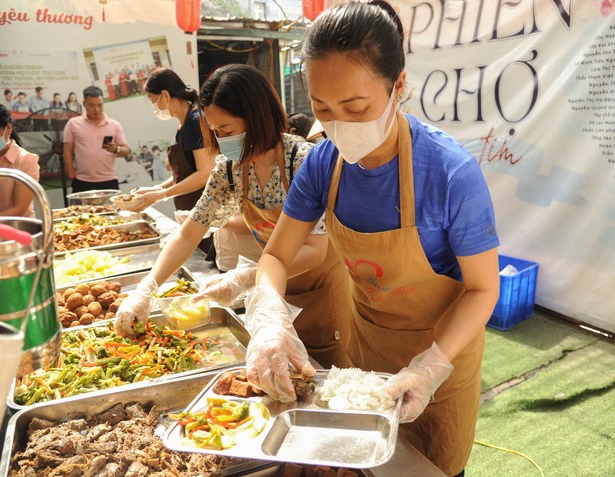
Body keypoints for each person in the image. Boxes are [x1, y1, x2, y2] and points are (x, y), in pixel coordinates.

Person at [244, 3, 500, 477]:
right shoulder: (324, 163)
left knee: (425, 467)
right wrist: (269, 318)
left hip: (440, 361)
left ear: (398, 85)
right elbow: (276, 256)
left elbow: (484, 289)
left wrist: (429, 366)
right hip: (363, 356)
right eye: (322, 108)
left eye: (356, 107)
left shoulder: (450, 173)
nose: (338, 123)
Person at [115, 64, 351, 370]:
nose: (222, 140)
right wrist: (147, 287)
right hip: (271, 294)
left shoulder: (303, 161)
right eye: (215, 132)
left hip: (321, 297)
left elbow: (314, 251)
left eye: (226, 130)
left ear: (256, 117)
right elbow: (189, 232)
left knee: (325, 375)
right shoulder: (230, 170)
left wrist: (245, 277)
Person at [127, 67, 216, 214]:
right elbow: (182, 175)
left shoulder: (195, 121)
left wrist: (161, 195)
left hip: (205, 209)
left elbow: (204, 173)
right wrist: (156, 189)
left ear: (165, 95)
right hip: (189, 209)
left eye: (152, 100)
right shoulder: (182, 125)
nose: (153, 107)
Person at [63, 86, 131, 193]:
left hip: (109, 180)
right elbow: (67, 151)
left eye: (100, 105)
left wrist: (115, 149)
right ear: (84, 103)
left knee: (111, 210)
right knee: (79, 210)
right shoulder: (73, 123)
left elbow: (126, 151)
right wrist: (71, 174)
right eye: (92, 105)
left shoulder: (114, 125)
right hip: (82, 180)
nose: (96, 109)